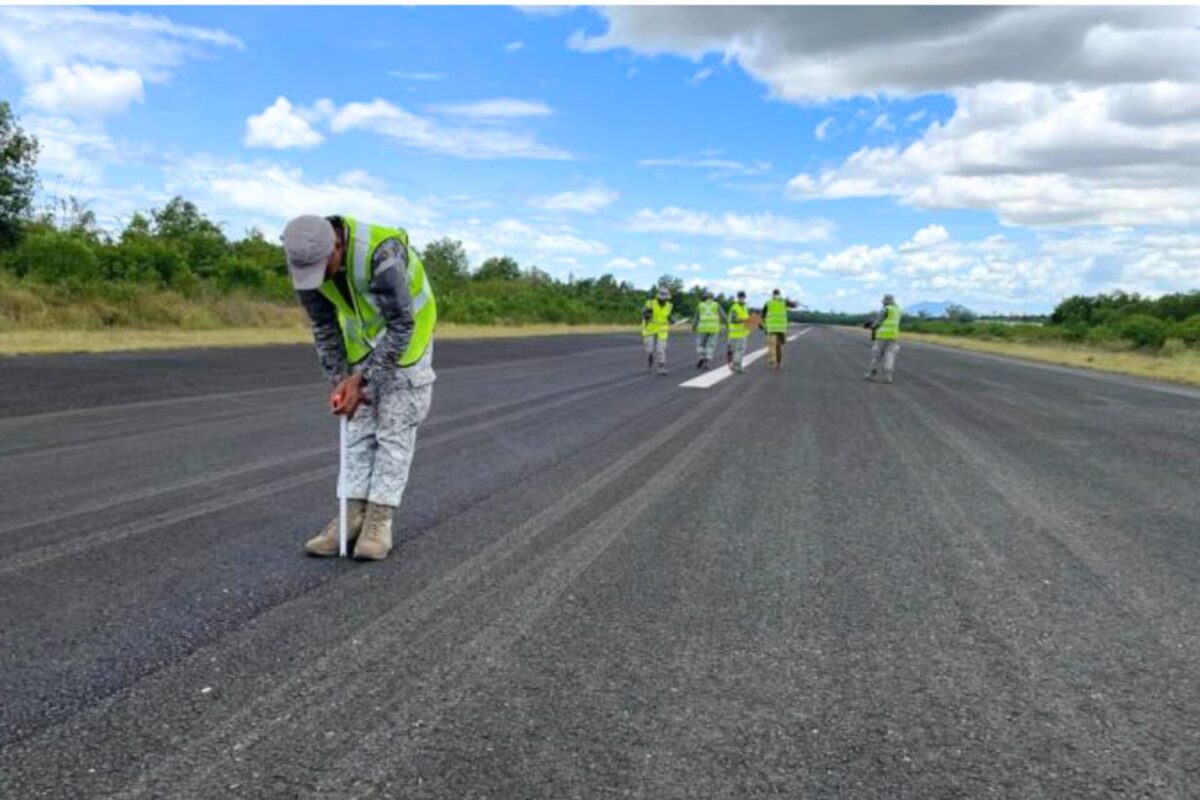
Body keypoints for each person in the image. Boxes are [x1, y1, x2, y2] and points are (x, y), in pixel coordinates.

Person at [282, 214, 436, 561]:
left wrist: (362, 378)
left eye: (324, 267)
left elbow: (401, 325)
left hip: (407, 341)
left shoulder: (383, 253)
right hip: (361, 342)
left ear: (337, 245)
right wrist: (340, 381)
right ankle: (350, 515)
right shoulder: (302, 256)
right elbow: (323, 325)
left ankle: (379, 520)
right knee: (357, 427)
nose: (316, 279)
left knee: (393, 428)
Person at [865, 293, 902, 384]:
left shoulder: (885, 309)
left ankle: (872, 373)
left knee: (876, 356)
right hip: (894, 336)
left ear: (885, 301)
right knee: (890, 356)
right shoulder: (898, 310)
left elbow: (878, 322)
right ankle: (888, 377)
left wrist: (870, 326)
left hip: (882, 336)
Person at [761, 289, 798, 370]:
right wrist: (794, 302)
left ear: (772, 294)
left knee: (771, 344)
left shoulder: (768, 303)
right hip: (781, 329)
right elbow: (795, 305)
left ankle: (772, 359)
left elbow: (763, 315)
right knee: (779, 346)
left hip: (771, 328)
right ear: (779, 294)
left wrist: (763, 325)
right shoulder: (784, 302)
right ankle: (778, 364)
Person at [642, 284, 673, 375]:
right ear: (658, 297)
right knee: (650, 350)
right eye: (662, 298)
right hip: (650, 328)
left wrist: (673, 321)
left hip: (662, 329)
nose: (664, 300)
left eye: (666, 298)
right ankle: (649, 363)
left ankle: (661, 367)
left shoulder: (669, 306)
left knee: (661, 349)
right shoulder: (650, 303)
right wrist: (647, 315)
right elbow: (644, 313)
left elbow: (669, 317)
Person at [692, 290, 726, 369]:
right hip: (714, 329)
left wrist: (694, 326)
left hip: (702, 328)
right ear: (712, 298)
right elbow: (723, 316)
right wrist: (727, 325)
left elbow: (696, 317)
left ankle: (701, 356)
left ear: (704, 298)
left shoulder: (700, 305)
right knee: (710, 345)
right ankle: (706, 361)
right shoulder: (716, 305)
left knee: (701, 344)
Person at [725, 291, 750, 373]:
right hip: (736, 333)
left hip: (742, 333)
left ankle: (734, 365)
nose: (742, 299)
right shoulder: (734, 307)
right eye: (740, 297)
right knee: (739, 350)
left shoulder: (745, 307)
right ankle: (737, 366)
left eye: (743, 297)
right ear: (738, 298)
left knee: (738, 351)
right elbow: (733, 319)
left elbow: (746, 318)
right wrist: (743, 320)